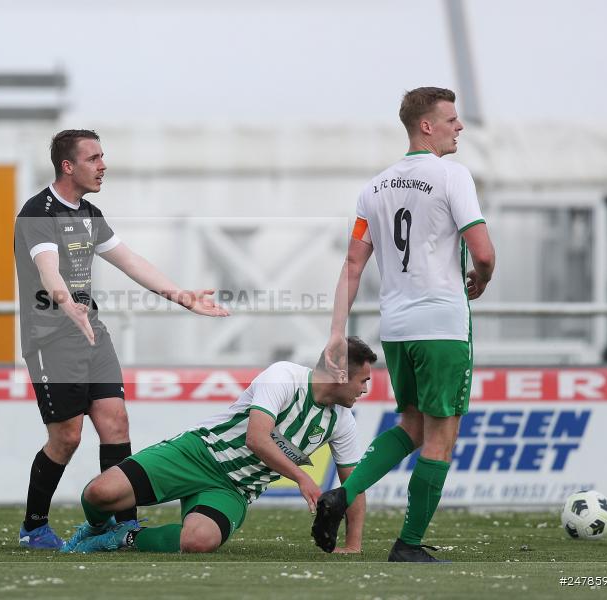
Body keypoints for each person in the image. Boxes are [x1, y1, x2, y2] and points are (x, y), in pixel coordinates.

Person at [14, 129, 229, 549]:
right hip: (50, 339)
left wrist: (182, 297)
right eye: (94, 158)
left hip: (91, 332)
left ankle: (119, 525)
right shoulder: (38, 212)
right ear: (68, 166)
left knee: (116, 421)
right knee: (68, 437)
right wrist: (65, 301)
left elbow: (129, 261)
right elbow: (47, 269)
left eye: (103, 156)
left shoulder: (90, 214)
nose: (103, 165)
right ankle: (33, 527)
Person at [314, 87, 496, 562]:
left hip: (396, 328)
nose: (460, 127)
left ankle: (340, 494)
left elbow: (353, 264)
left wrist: (337, 331)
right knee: (441, 435)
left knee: (411, 425)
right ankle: (408, 544)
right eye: (452, 120)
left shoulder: (372, 188)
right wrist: (483, 277)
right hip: (442, 324)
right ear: (427, 126)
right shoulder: (452, 177)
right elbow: (484, 252)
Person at [59, 337, 377, 555]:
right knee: (98, 494)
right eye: (362, 380)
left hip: (233, 490)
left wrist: (353, 544)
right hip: (196, 453)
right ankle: (95, 527)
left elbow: (355, 484)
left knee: (199, 541)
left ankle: (123, 537)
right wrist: (302, 477)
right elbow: (257, 437)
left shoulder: (342, 421)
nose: (366, 388)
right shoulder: (284, 376)